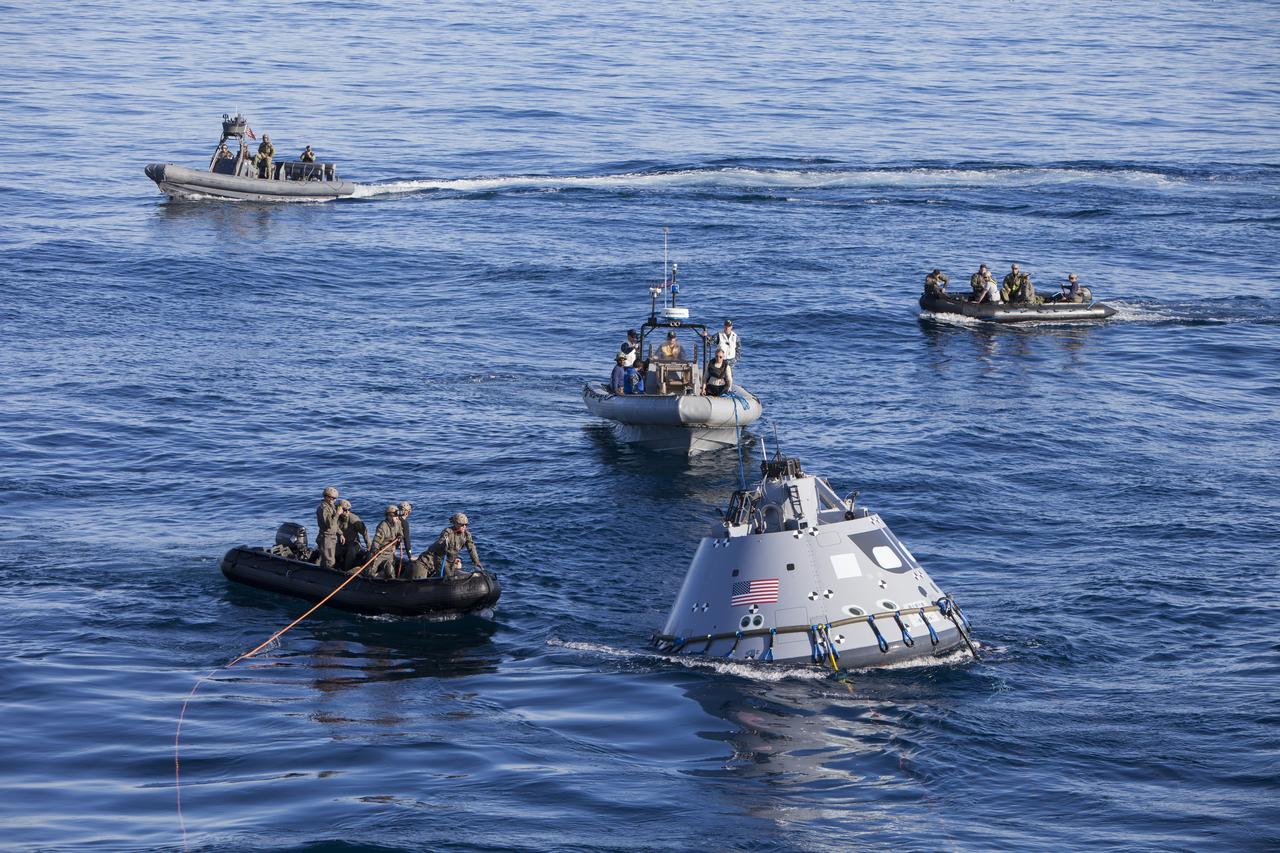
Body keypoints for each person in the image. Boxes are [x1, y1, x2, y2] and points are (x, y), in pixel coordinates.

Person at [423, 512, 483, 578]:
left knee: (453, 575)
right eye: (462, 525)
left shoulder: (466, 535)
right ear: (456, 524)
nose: (464, 527)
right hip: (441, 559)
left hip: (452, 559)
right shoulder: (448, 532)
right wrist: (444, 542)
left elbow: (471, 548)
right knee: (447, 577)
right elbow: (439, 544)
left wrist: (476, 562)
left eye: (466, 525)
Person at [365, 505, 403, 579]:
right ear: (389, 516)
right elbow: (376, 540)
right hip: (380, 553)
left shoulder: (398, 523)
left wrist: (400, 536)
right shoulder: (382, 526)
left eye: (397, 516)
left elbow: (400, 532)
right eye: (395, 516)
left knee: (390, 570)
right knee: (369, 572)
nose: (397, 518)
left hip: (390, 553)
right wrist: (375, 550)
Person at [315, 486, 344, 570]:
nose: (334, 500)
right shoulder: (323, 509)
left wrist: (340, 533)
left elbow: (335, 524)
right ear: (327, 497)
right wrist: (338, 514)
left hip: (332, 537)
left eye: (335, 499)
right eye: (333, 498)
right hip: (326, 537)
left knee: (329, 559)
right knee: (329, 562)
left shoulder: (331, 507)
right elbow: (329, 524)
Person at [337, 499, 369, 571]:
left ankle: (346, 571)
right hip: (341, 544)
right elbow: (333, 526)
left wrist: (369, 547)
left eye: (349, 510)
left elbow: (365, 533)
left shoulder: (354, 520)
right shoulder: (336, 517)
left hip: (353, 544)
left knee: (350, 553)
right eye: (344, 510)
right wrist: (340, 534)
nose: (347, 512)